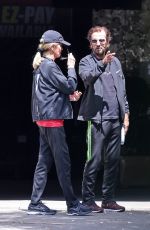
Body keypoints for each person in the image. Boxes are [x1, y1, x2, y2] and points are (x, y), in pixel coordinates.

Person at [28, 29, 91, 216]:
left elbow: (49, 93)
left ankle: (35, 203)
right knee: (63, 164)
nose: (63, 49)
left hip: (43, 119)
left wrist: (68, 98)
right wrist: (72, 67)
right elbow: (70, 85)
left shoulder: (41, 66)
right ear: (53, 47)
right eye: (61, 46)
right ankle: (72, 205)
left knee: (43, 162)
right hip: (52, 121)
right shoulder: (49, 66)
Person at [78, 26, 130, 213]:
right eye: (94, 41)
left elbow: (122, 90)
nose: (98, 44)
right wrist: (101, 64)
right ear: (90, 43)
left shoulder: (115, 62)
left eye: (102, 40)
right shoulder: (86, 61)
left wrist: (126, 114)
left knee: (113, 161)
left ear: (108, 41)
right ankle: (88, 200)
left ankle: (108, 199)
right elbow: (87, 77)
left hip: (115, 119)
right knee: (94, 160)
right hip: (96, 120)